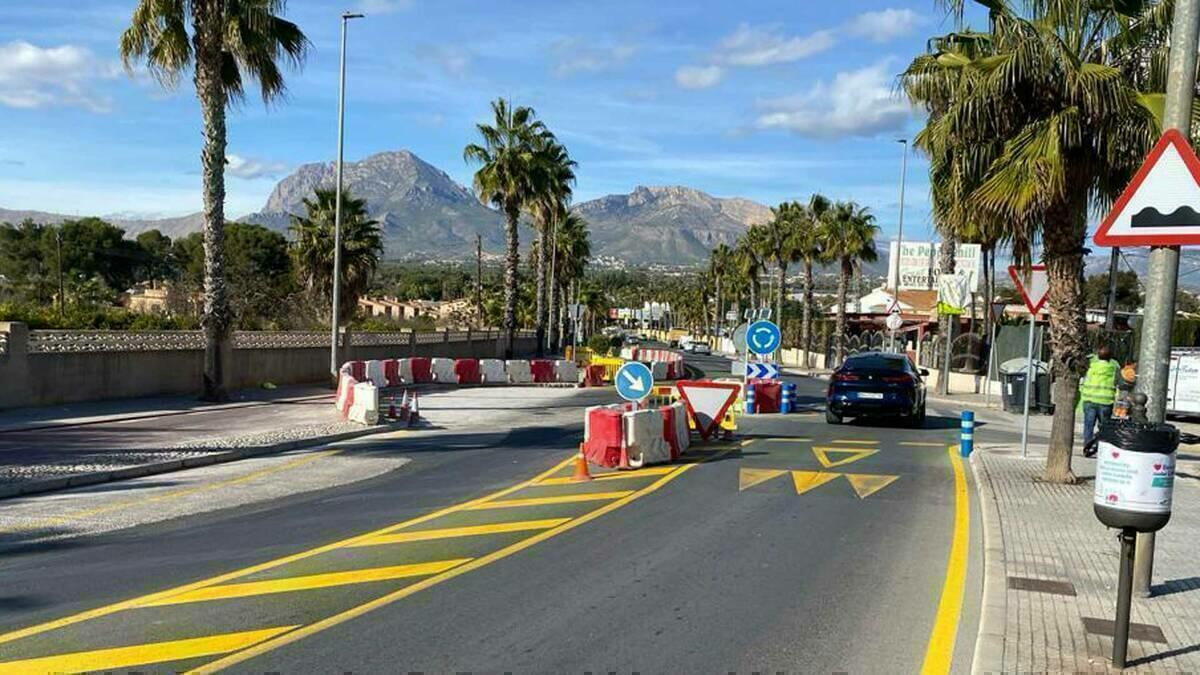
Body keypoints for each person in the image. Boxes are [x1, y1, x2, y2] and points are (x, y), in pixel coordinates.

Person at [1080, 345, 1119, 457]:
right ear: (1110, 357)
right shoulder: (1114, 369)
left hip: (1089, 400)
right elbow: (1120, 382)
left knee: (1088, 426)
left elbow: (1084, 379)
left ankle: (1087, 448)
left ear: (1097, 356)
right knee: (1104, 427)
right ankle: (1101, 449)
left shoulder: (1091, 367)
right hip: (1105, 402)